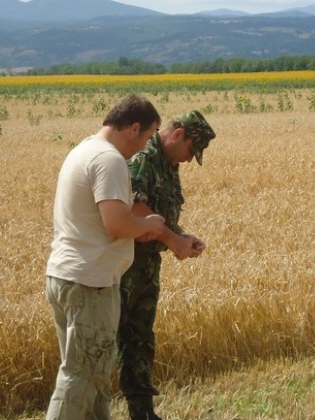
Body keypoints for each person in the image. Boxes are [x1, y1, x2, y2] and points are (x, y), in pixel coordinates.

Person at [45, 94, 166, 420]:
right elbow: (116, 222)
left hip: (65, 276)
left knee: (93, 377)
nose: (143, 149)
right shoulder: (109, 159)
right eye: (146, 138)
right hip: (91, 283)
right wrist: (148, 224)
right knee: (81, 377)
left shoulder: (82, 150)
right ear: (134, 128)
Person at [117, 110, 217, 420]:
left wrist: (183, 236)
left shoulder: (168, 163)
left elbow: (161, 217)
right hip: (125, 265)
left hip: (147, 265)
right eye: (190, 150)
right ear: (177, 135)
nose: (189, 160)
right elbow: (137, 208)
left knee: (140, 339)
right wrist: (174, 241)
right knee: (108, 341)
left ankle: (143, 413)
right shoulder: (145, 157)